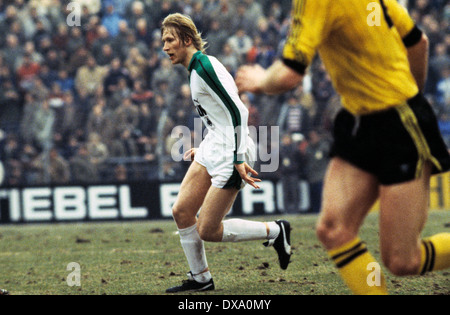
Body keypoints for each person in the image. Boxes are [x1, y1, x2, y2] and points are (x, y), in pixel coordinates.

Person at [236, 0, 450, 295]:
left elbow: (290, 73)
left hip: (398, 124)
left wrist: (259, 80)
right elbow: (418, 42)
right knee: (333, 230)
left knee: (403, 260)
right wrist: (413, 92)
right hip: (359, 121)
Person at [161, 13, 292, 293]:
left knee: (208, 230)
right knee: (181, 211)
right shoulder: (196, 69)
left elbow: (237, 111)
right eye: (163, 41)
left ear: (186, 40)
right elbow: (219, 115)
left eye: (170, 39)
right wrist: (207, 144)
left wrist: (237, 158)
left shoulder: (204, 66)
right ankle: (201, 279)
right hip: (216, 145)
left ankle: (276, 231)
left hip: (234, 149)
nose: (164, 46)